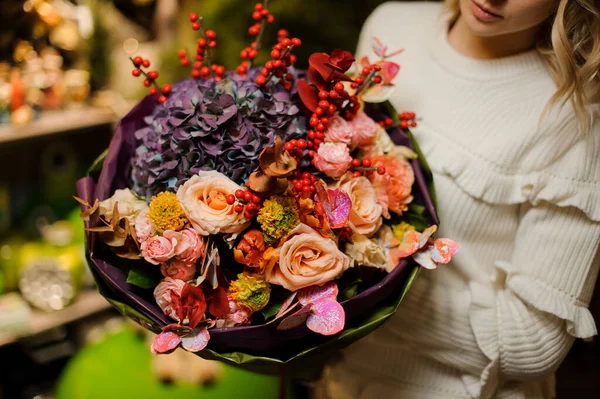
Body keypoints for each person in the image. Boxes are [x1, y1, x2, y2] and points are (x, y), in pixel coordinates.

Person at [317, 0, 600, 398]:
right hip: (340, 380)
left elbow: (534, 342)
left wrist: (348, 288)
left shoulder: (576, 115)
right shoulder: (391, 26)